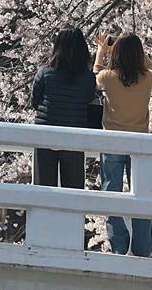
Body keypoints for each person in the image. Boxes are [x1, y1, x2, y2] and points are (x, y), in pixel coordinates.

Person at [93, 32, 152, 256]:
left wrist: (104, 51)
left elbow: (95, 73)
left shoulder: (108, 78)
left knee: (111, 193)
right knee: (140, 196)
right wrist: (136, 51)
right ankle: (142, 248)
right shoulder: (148, 78)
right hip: (140, 143)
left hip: (112, 141)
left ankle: (120, 245)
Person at [30, 26, 96, 190]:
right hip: (75, 134)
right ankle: (73, 216)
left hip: (46, 133)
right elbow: (88, 99)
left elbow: (34, 102)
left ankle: (43, 216)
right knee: (73, 186)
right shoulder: (88, 77)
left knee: (43, 185)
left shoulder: (44, 72)